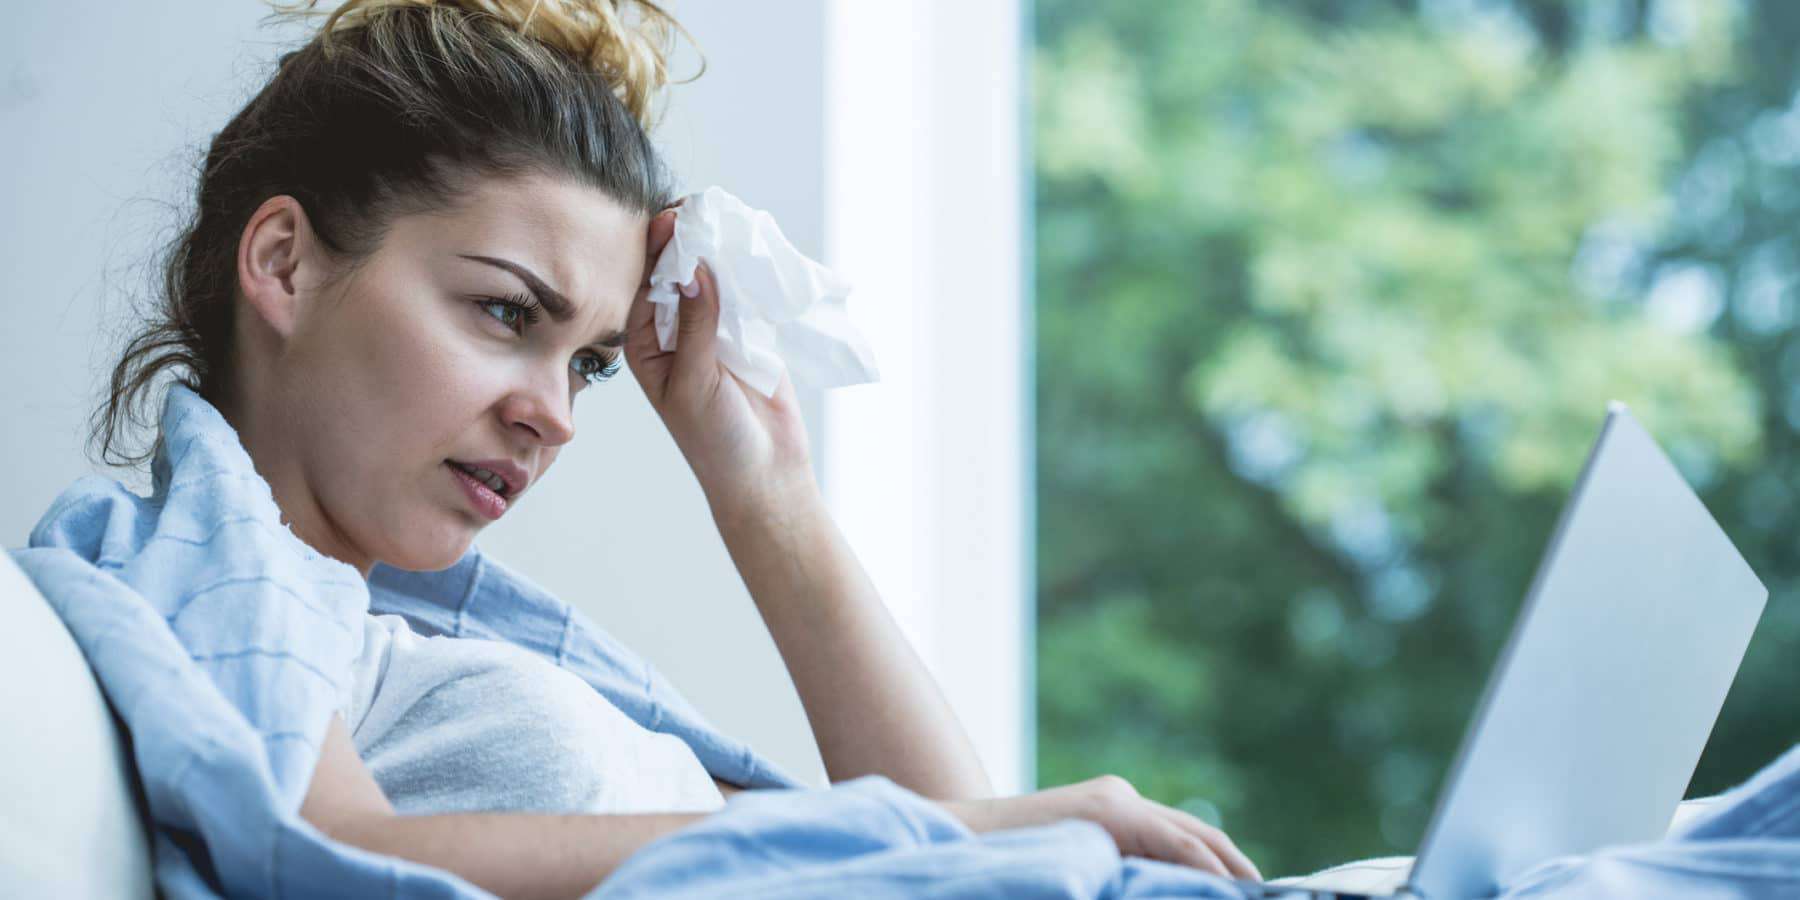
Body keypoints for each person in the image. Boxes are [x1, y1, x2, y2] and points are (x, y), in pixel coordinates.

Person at [84, 2, 1260, 897]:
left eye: (590, 360)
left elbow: (978, 861)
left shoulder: (399, 634)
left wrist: (770, 498)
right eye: (505, 312)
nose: (558, 413)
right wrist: (977, 833)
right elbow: (325, 850)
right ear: (284, 263)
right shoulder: (192, 568)